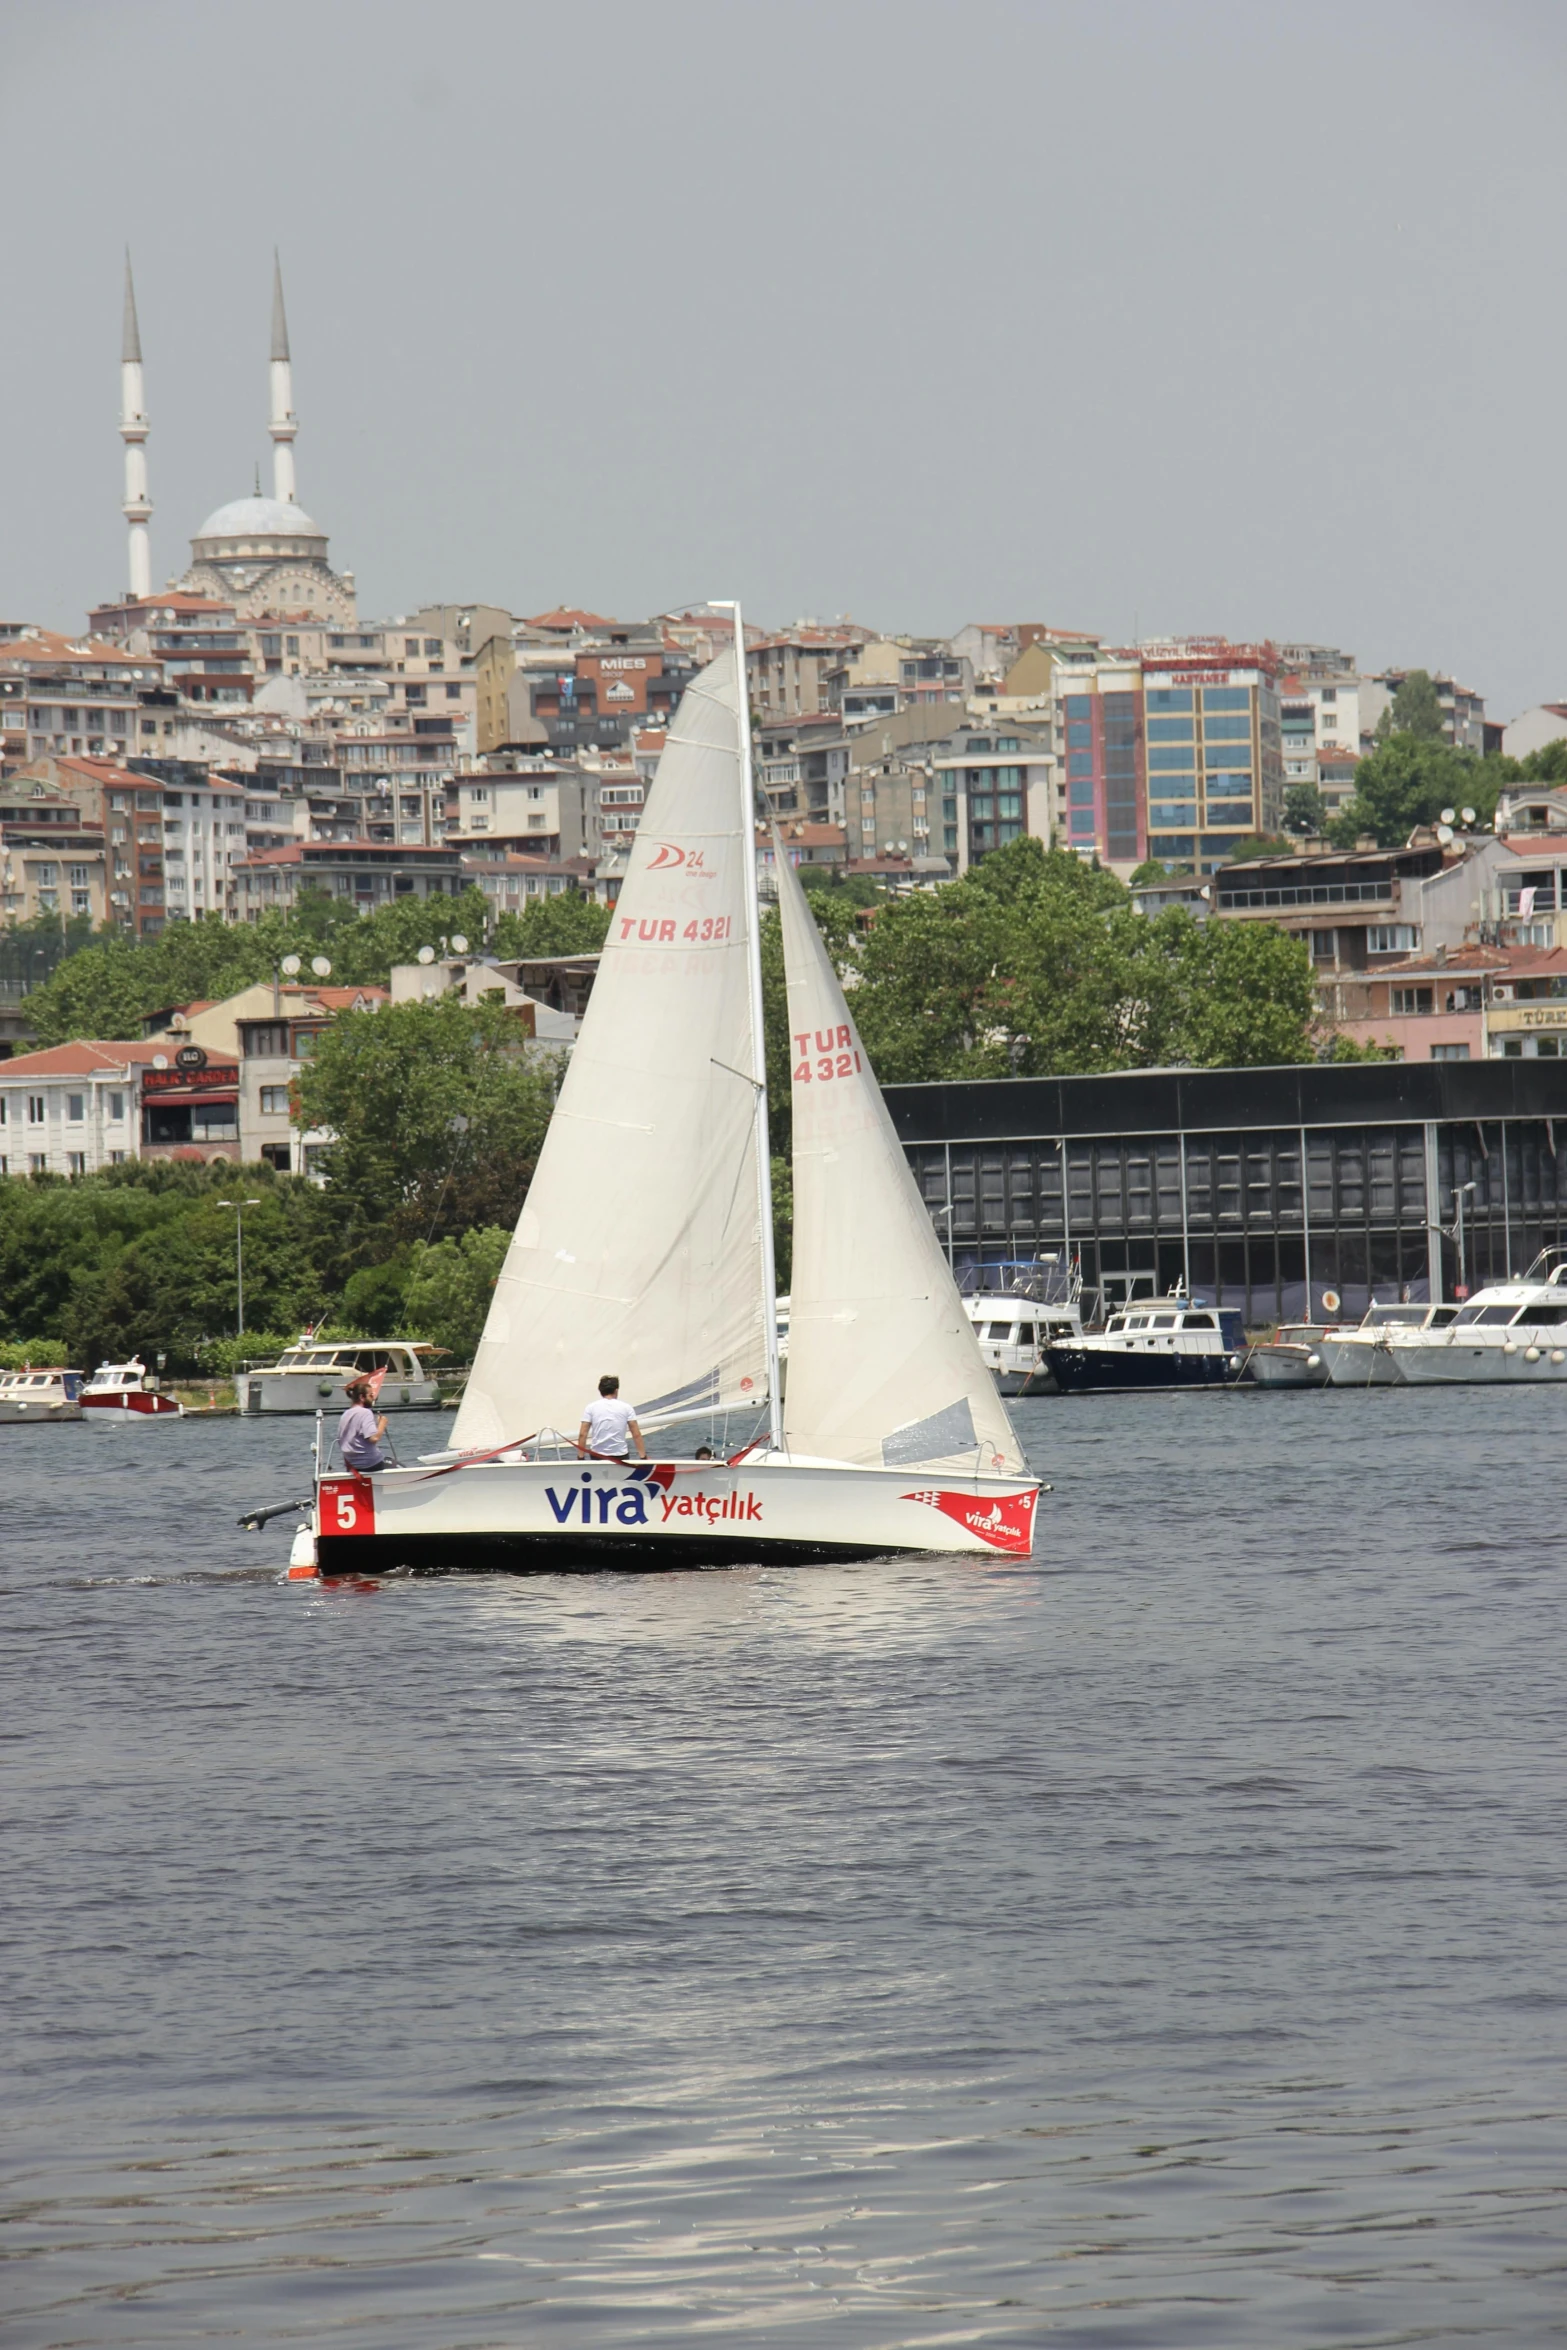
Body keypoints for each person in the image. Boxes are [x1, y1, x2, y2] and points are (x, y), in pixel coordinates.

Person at [577, 1374, 647, 1462]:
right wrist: (643, 1457)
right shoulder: (626, 1407)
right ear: (616, 1390)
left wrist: (580, 1457)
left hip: (597, 1455)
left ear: (600, 1391)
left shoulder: (590, 1407)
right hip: (620, 1454)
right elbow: (636, 1434)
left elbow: (583, 1434)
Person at [337, 1376, 389, 1472]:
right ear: (362, 1397)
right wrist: (382, 1423)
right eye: (370, 1395)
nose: (373, 1398)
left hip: (352, 1466)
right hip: (371, 1464)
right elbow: (374, 1438)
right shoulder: (365, 1413)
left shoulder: (345, 1414)